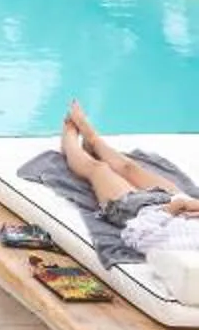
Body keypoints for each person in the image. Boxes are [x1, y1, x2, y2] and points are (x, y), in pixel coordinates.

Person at [59, 101, 199, 257]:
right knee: (129, 167)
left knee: (98, 169)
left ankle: (69, 136)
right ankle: (92, 139)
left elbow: (138, 237)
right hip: (177, 201)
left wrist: (177, 206)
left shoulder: (188, 244)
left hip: (139, 212)